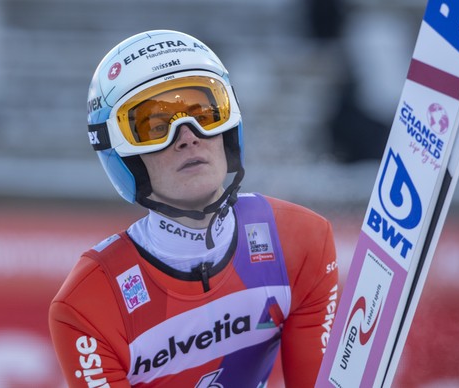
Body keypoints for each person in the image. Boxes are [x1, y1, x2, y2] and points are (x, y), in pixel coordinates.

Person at [49, 30, 339, 388]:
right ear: (124, 156)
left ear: (229, 128)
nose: (187, 136)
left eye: (204, 112)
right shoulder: (88, 304)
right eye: (155, 126)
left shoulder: (300, 241)